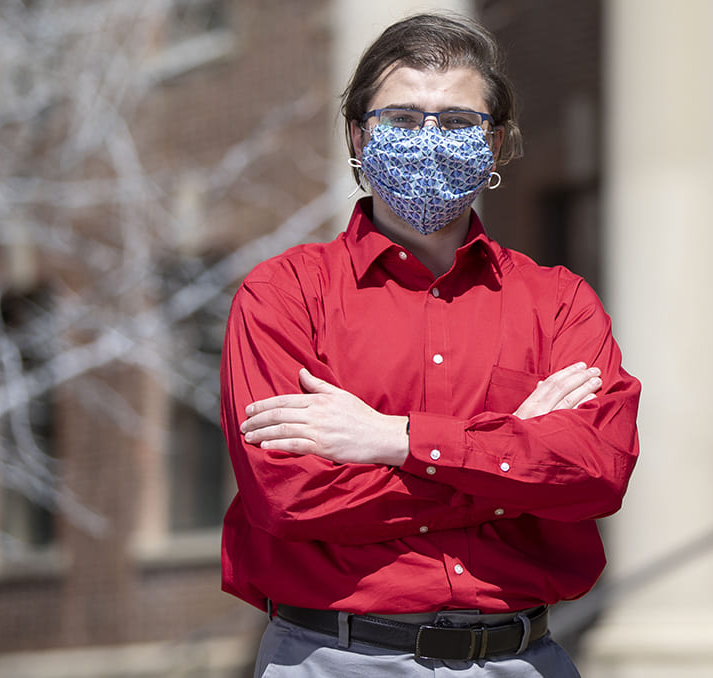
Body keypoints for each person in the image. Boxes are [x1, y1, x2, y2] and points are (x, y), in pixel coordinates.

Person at [220, 12, 640, 677]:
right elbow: (290, 497)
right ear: (359, 136)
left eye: (457, 123)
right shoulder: (284, 297)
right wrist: (508, 454)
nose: (429, 139)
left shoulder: (558, 302)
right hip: (334, 658)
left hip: (522, 657)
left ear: (495, 144)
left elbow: (596, 472)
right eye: (403, 119)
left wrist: (395, 440)